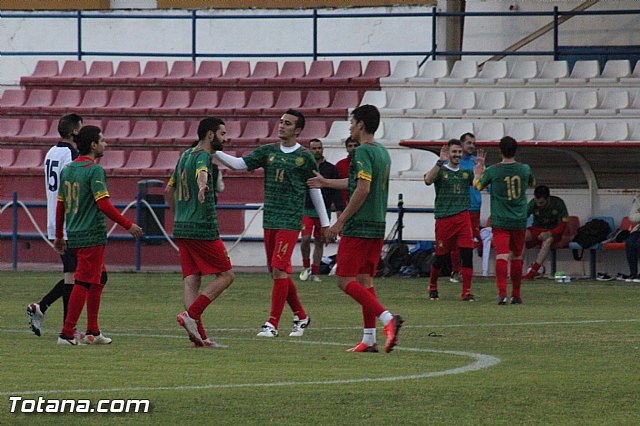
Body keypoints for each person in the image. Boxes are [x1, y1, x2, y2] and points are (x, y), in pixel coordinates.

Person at [214, 109, 330, 337]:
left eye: (287, 123)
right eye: (281, 122)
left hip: (289, 220)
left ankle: (272, 324)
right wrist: (216, 152)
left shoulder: (304, 157)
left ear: (297, 130)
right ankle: (301, 316)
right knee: (279, 272)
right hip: (271, 220)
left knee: (278, 269)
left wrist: (325, 223)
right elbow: (239, 164)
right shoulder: (268, 151)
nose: (282, 126)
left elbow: (314, 188)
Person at [308, 104, 403, 353]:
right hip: (377, 224)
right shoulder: (382, 152)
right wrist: (325, 181)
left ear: (360, 124)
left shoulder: (361, 152)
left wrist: (339, 222)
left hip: (358, 225)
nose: (350, 126)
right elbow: (357, 181)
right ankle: (369, 338)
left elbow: (362, 188)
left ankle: (387, 319)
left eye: (352, 122)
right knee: (364, 279)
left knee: (343, 280)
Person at [53, 125, 143, 345]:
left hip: (75, 233)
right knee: (83, 281)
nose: (106, 143)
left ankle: (93, 331)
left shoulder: (68, 169)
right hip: (91, 233)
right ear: (93, 145)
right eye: (102, 140)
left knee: (99, 278)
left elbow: (60, 205)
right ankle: (66, 333)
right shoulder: (94, 170)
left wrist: (58, 234)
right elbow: (103, 204)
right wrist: (128, 224)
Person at [166, 117, 235, 349]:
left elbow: (169, 189)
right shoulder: (204, 156)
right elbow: (202, 172)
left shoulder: (185, 155)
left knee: (191, 279)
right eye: (222, 134)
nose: (225, 138)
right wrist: (204, 185)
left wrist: (178, 214)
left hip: (182, 226)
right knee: (226, 275)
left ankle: (199, 337)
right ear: (210, 135)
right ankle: (191, 315)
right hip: (202, 227)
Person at [27, 114, 86, 338]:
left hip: (55, 219)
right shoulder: (71, 154)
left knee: (74, 273)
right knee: (74, 275)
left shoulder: (51, 152)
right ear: (74, 132)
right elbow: (73, 186)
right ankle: (67, 328)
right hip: (68, 221)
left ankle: (41, 308)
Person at [474, 136, 535, 305]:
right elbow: (532, 183)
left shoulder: (494, 170)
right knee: (516, 256)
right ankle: (516, 294)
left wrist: (477, 173)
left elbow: (478, 186)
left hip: (501, 220)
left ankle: (502, 294)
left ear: (500, 151)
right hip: (519, 219)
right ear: (516, 150)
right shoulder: (524, 169)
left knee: (502, 255)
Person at [423, 139, 476, 302]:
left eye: (459, 152)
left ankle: (466, 292)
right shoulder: (440, 170)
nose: (457, 155)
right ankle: (432, 286)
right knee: (441, 257)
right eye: (454, 152)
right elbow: (427, 180)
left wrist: (480, 169)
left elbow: (478, 185)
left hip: (463, 218)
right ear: (448, 153)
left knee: (467, 254)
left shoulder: (466, 172)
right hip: (444, 219)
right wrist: (439, 162)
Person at [299, 138, 344, 283]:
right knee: (305, 239)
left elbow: (335, 190)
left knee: (319, 241)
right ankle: (306, 267)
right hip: (306, 209)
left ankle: (314, 272)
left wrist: (338, 208)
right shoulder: (305, 168)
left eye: (319, 148)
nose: (317, 150)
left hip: (323, 211)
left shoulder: (330, 169)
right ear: (309, 150)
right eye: (314, 148)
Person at [448, 133, 482, 283]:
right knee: (457, 242)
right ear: (461, 145)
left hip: (474, 208)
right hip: (458, 207)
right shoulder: (455, 163)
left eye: (473, 143)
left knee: (472, 241)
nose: (472, 146)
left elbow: (483, 183)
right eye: (469, 143)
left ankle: (466, 272)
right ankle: (456, 272)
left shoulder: (477, 162)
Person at [523, 185, 569, 279]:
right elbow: (522, 217)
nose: (539, 204)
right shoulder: (533, 203)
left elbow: (563, 225)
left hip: (553, 231)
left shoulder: (558, 204)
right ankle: (517, 267)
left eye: (542, 203)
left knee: (548, 239)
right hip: (537, 229)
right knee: (521, 235)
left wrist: (550, 233)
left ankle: (534, 270)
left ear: (548, 198)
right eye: (537, 202)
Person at [334, 136, 360, 207]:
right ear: (346, 148)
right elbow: (335, 187)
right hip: (343, 205)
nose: (353, 148)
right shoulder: (340, 165)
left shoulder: (365, 163)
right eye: (350, 146)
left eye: (355, 145)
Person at [624, 192, 640, 281]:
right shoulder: (638, 198)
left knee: (639, 243)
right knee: (630, 241)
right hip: (638, 229)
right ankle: (633, 273)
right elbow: (632, 218)